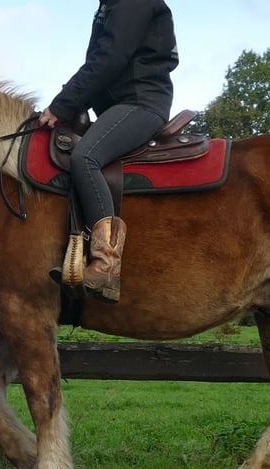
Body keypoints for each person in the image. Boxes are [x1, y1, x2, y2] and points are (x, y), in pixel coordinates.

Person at [39, 0, 179, 303]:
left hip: (141, 102)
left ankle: (106, 266)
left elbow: (109, 59)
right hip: (119, 105)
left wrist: (62, 104)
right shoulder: (110, 6)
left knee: (85, 157)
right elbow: (99, 64)